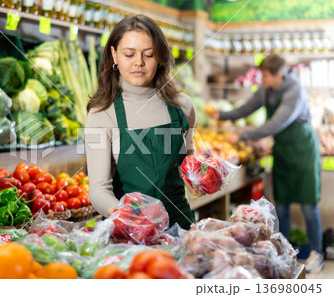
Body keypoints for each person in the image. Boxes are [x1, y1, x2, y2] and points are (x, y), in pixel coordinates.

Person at [84, 15, 203, 230]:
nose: (139, 62)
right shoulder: (102, 114)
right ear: (114, 55)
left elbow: (188, 155)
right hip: (130, 231)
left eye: (148, 54)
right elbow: (99, 190)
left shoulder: (183, 106)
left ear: (160, 58)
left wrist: (195, 176)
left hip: (181, 226)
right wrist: (125, 217)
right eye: (129, 54)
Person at [208, 54, 323, 273]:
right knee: (281, 204)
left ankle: (317, 253)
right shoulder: (266, 89)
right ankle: (284, 251)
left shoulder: (294, 91)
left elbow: (276, 123)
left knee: (308, 205)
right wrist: (221, 114)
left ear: (278, 75)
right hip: (282, 150)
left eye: (265, 76)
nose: (262, 80)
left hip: (303, 150)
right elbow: (246, 109)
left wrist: (243, 135)